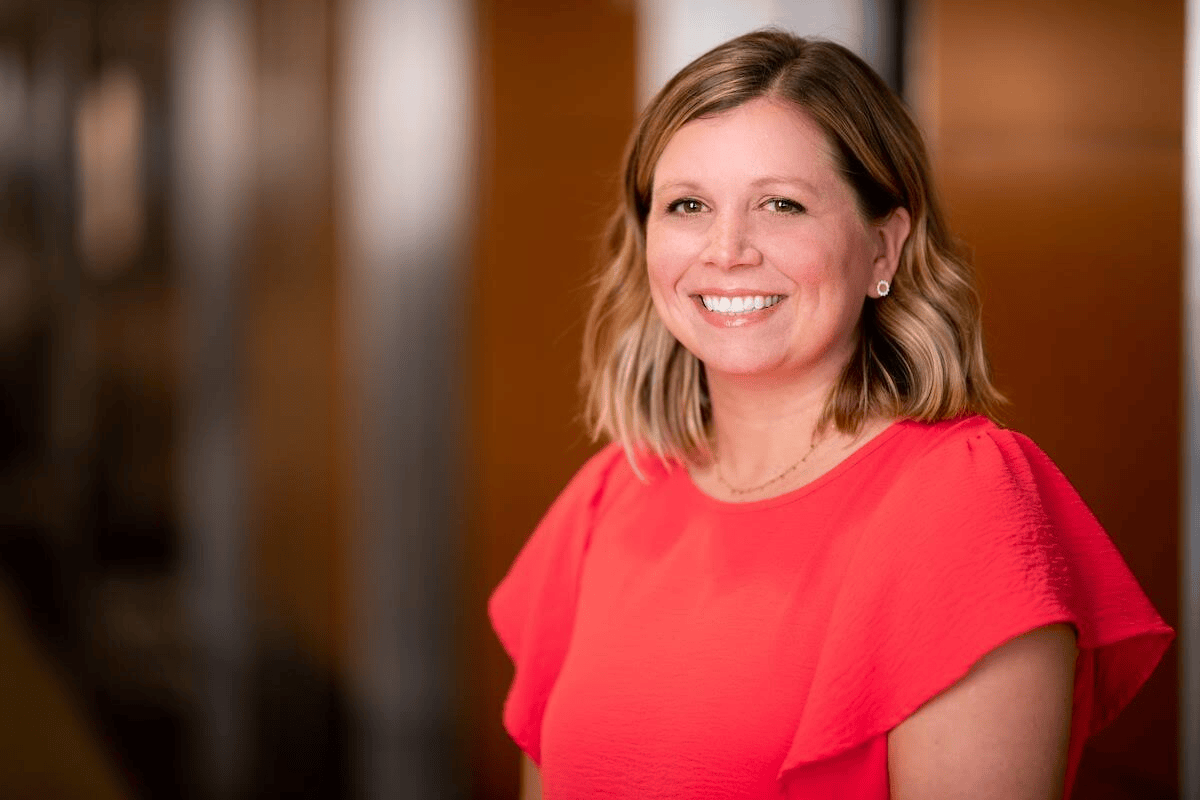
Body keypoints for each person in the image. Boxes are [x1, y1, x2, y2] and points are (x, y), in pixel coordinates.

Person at [489, 29, 1172, 799]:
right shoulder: (607, 497)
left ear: (884, 249)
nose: (727, 249)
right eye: (687, 205)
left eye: (781, 204)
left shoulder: (962, 505)